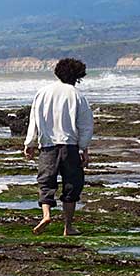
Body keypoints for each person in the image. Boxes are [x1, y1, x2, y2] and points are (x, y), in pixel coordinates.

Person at [24, 58, 93, 236]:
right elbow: (85, 126)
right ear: (77, 77)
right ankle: (68, 227)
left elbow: (34, 119)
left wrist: (30, 143)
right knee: (71, 186)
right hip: (70, 146)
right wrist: (84, 149)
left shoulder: (43, 93)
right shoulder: (77, 95)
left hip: (47, 146)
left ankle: (46, 215)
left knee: (46, 183)